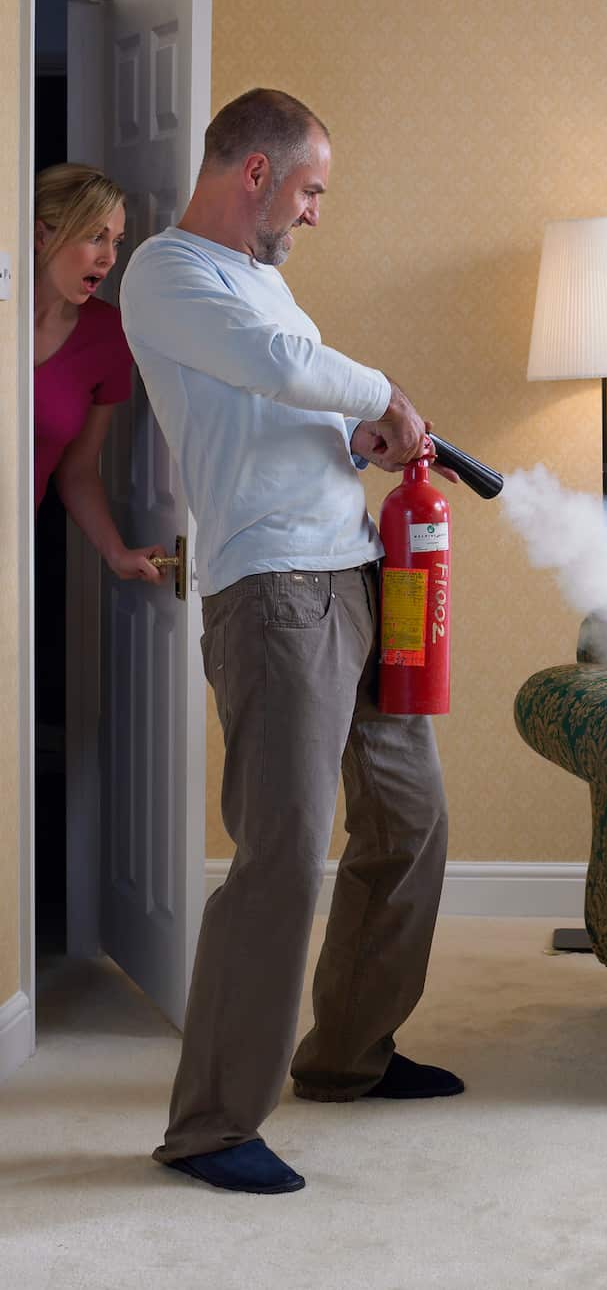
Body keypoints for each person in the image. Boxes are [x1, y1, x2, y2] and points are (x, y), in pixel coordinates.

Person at [120, 87, 460, 1197]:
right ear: (255, 172)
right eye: (310, 188)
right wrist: (386, 394)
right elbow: (272, 363)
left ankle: (348, 1055)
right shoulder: (169, 273)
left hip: (353, 572)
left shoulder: (264, 278)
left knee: (410, 818)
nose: (315, 213)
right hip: (273, 594)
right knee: (282, 856)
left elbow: (280, 403)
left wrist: (354, 436)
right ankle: (211, 1124)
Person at [34, 163, 166, 580]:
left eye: (117, 242)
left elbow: (77, 468)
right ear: (41, 236)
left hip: (11, 551)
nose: (109, 258)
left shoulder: (108, 335)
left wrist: (116, 553)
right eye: (95, 237)